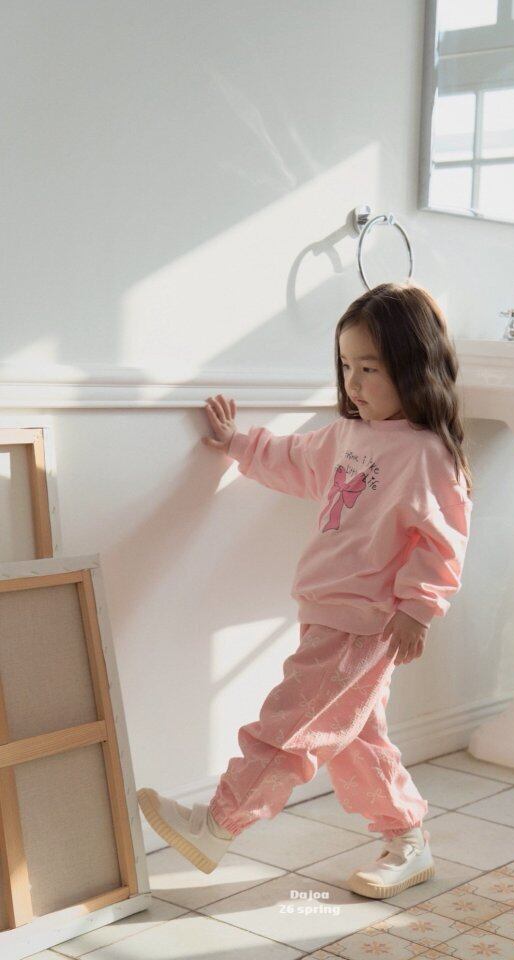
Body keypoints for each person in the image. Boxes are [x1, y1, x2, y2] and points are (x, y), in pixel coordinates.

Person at [138, 281, 473, 900]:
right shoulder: (348, 436)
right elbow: (293, 458)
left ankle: (218, 824)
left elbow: (442, 538)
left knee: (291, 722)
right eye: (346, 366)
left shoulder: (427, 454)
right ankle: (408, 840)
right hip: (324, 611)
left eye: (370, 368)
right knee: (354, 740)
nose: (354, 382)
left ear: (412, 366)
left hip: (367, 622)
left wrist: (420, 609)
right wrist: (237, 443)